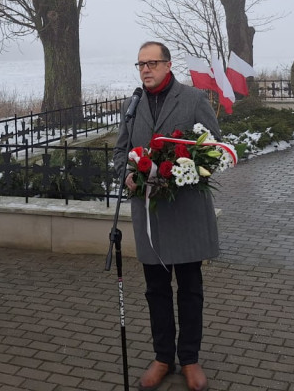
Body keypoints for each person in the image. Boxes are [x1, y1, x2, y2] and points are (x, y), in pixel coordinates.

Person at [113, 41, 219, 391]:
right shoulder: (134, 105)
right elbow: (120, 151)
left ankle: (189, 359)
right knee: (156, 290)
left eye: (152, 63)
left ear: (168, 65)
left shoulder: (192, 99)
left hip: (185, 212)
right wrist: (126, 174)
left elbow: (213, 147)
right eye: (140, 63)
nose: (146, 69)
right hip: (150, 217)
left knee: (189, 289)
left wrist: (186, 168)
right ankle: (162, 357)